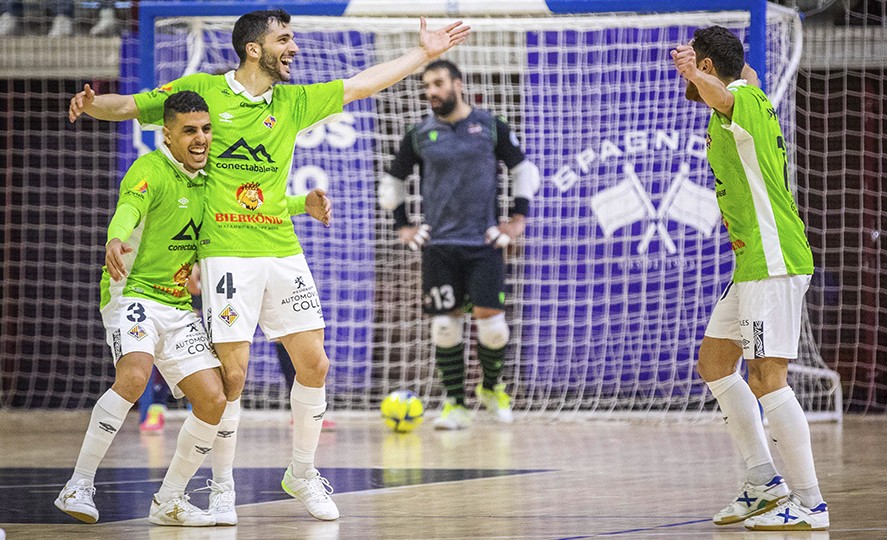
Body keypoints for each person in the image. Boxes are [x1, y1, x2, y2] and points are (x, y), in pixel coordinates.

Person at [67, 9, 469, 522]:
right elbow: (131, 105)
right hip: (227, 253)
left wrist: (426, 53)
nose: (293, 47)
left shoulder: (293, 101)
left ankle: (301, 473)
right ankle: (221, 488)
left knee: (315, 363)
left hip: (282, 248)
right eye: (284, 39)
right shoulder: (203, 92)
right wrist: (91, 103)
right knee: (232, 378)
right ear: (254, 49)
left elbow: (361, 85)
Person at [671, 27, 829, 531]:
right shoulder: (749, 92)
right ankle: (763, 482)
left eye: (697, 64)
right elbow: (743, 79)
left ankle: (810, 503)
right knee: (715, 364)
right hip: (751, 265)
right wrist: (717, 71)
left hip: (774, 260)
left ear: (709, 67)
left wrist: (699, 75)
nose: (688, 78)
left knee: (766, 376)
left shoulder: (735, 99)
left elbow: (726, 91)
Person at [54, 91, 227, 527]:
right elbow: (128, 209)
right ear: (166, 134)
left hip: (176, 303)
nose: (201, 138)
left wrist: (304, 206)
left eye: (206, 129)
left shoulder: (212, 178)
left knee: (213, 399)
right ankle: (78, 484)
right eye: (190, 130)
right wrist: (115, 237)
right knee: (133, 376)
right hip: (131, 293)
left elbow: (253, 209)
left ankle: (170, 499)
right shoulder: (149, 168)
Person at [377, 60, 541, 430]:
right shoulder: (419, 134)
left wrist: (517, 219)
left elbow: (523, 171)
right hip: (440, 247)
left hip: (483, 243)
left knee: (494, 329)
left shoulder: (490, 127)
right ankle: (455, 404)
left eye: (437, 84)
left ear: (458, 84)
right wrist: (404, 225)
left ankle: (491, 387)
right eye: (426, 86)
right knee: (445, 330)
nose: (431, 92)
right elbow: (392, 183)